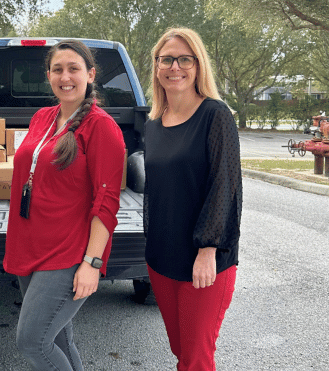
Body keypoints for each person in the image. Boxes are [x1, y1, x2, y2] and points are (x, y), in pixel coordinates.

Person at [3, 40, 126, 371]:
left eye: (74, 68)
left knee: (31, 342)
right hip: (31, 245)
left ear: (90, 74)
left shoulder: (101, 127)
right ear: (48, 76)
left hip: (68, 253)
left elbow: (106, 201)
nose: (65, 76)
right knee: (57, 340)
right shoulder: (42, 117)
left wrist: (91, 262)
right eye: (58, 69)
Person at [143, 27, 242, 370]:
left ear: (198, 66)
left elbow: (224, 186)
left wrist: (207, 249)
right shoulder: (154, 123)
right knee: (181, 350)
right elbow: (155, 192)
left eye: (185, 59)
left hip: (205, 262)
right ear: (156, 66)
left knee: (196, 359)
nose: (175, 67)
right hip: (161, 258)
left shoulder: (216, 115)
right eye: (167, 59)